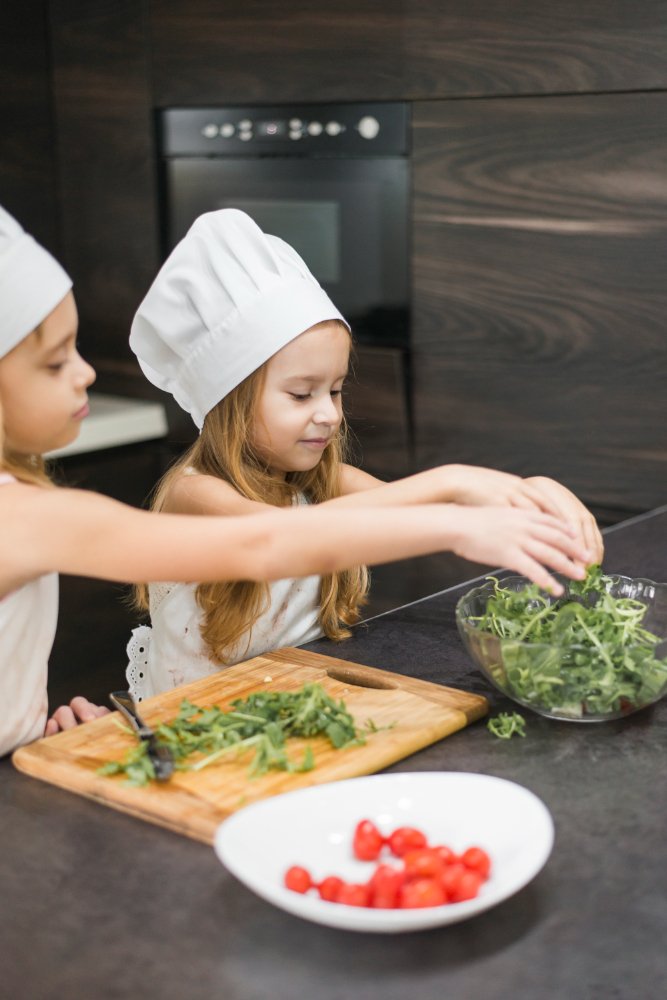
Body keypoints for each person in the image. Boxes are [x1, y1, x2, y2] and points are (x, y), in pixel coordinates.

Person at [0, 205, 595, 755]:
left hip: (273, 714)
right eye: (55, 361)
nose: (85, 372)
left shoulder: (311, 477)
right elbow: (270, 540)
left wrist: (516, 490)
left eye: (335, 390)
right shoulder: (186, 493)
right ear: (231, 400)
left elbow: (387, 508)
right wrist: (456, 492)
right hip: (200, 732)